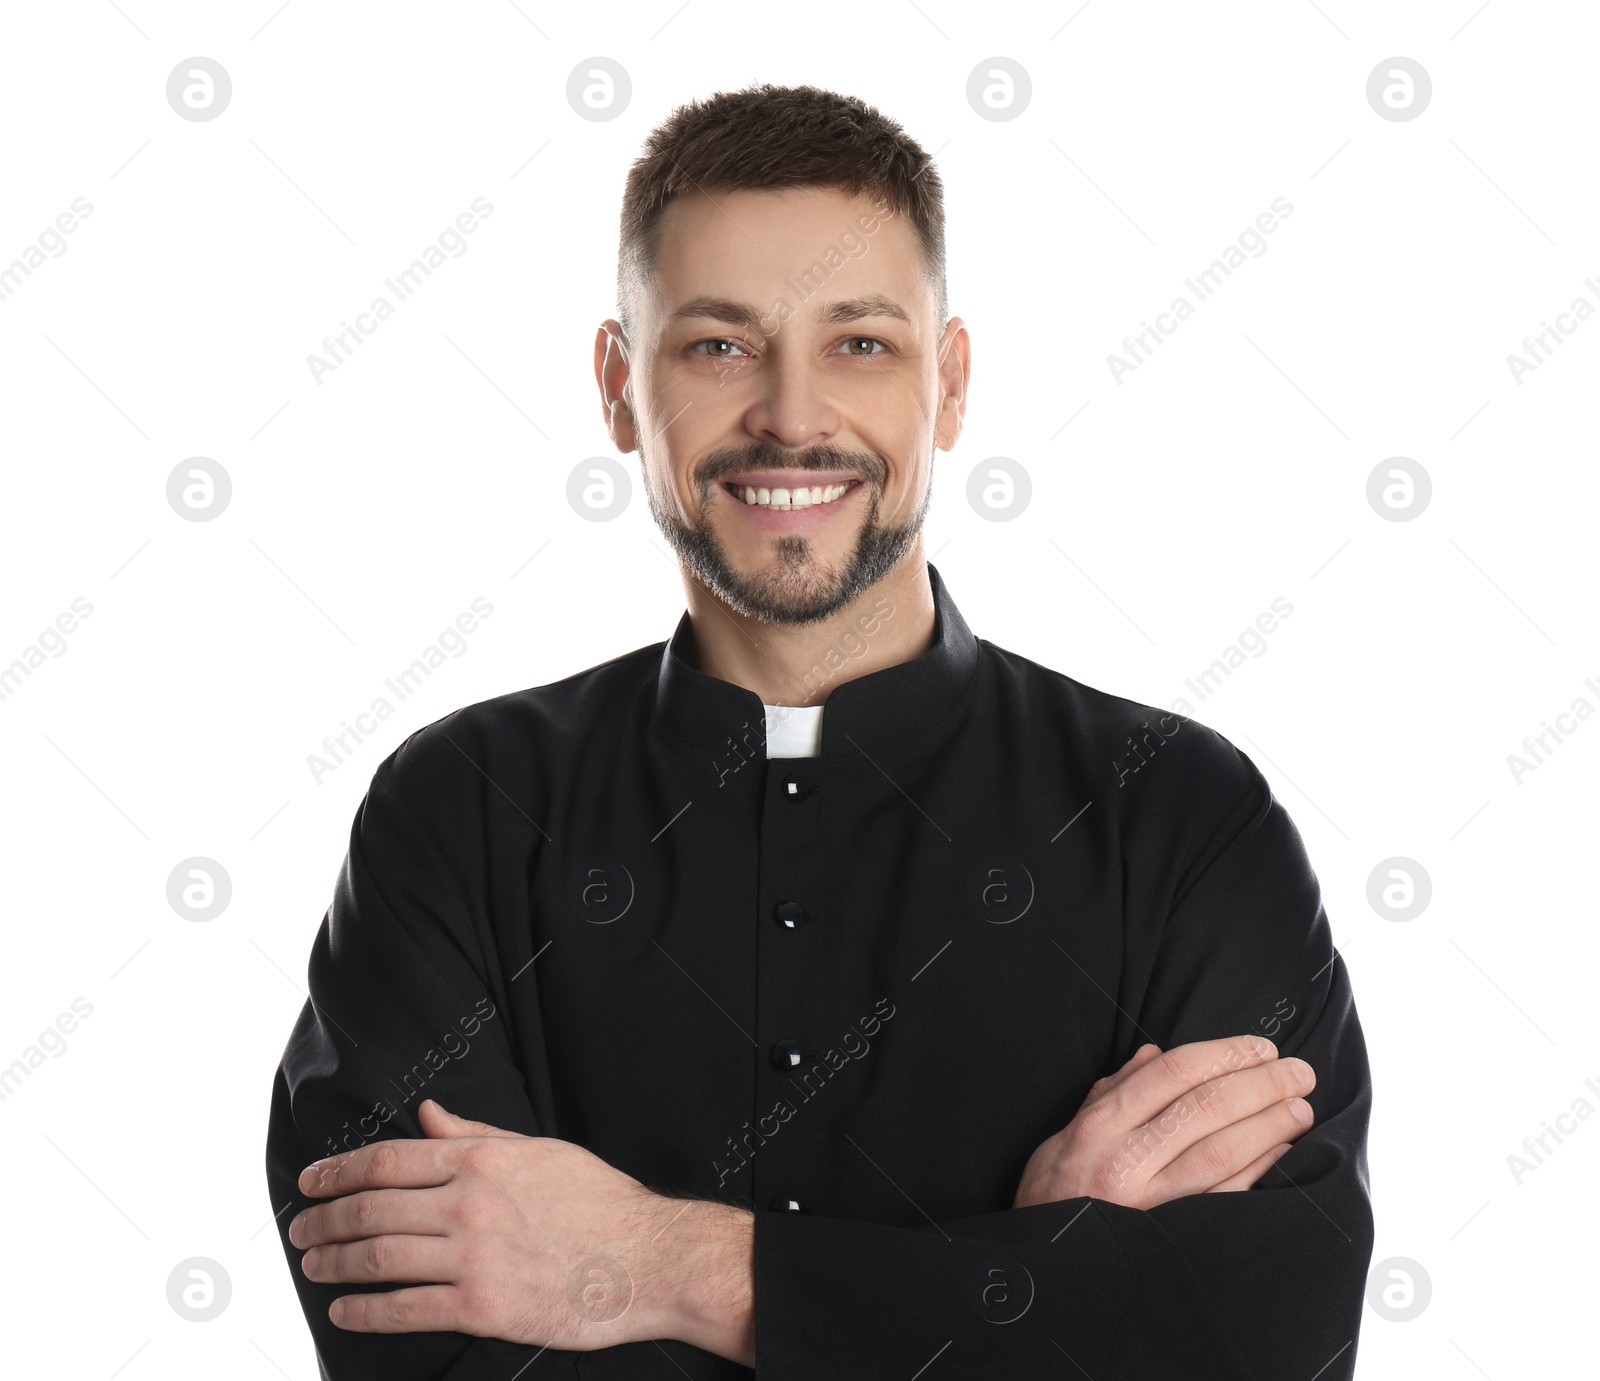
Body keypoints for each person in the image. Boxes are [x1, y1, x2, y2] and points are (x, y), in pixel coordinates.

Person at [266, 83, 1374, 1379]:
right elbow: (426, 1356)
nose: (792, 418)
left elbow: (1262, 1339)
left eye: (859, 343)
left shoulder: (1176, 813)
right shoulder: (458, 810)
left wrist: (657, 1263)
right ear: (622, 390)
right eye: (719, 346)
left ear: (949, 386)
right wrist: (1034, 1275)